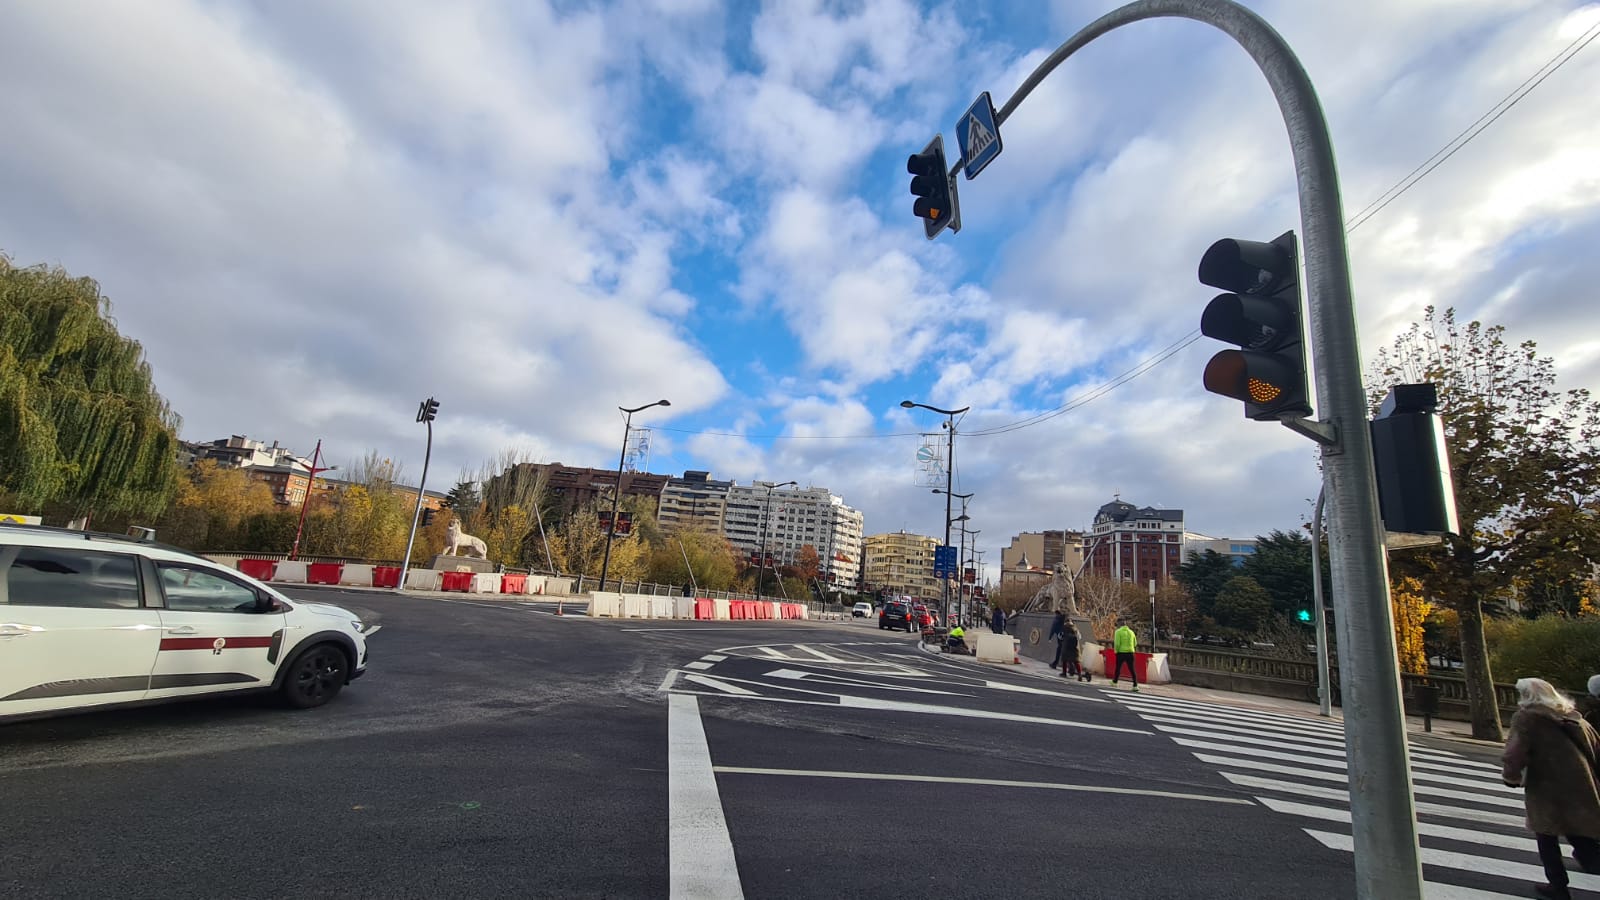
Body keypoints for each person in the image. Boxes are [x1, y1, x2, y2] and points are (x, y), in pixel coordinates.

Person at [1501, 677, 1600, 900]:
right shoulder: (1574, 717)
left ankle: (1558, 886)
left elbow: (1514, 752)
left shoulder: (1526, 718)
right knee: (1581, 834)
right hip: (1582, 785)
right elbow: (1596, 747)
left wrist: (1511, 777)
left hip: (1547, 786)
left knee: (1546, 836)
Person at [1111, 620, 1139, 692]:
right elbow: (1135, 643)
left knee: (1118, 668)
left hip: (1121, 652)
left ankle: (1115, 682)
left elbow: (1117, 643)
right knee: (1132, 669)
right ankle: (1135, 685)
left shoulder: (1118, 632)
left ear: (1119, 625)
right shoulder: (1131, 632)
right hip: (1130, 652)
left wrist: (1116, 651)